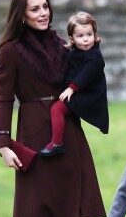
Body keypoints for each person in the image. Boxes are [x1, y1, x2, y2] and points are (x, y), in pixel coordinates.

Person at [0, 0, 106, 217]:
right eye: (35, 9)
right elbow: (4, 99)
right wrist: (3, 144)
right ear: (21, 15)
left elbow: (88, 71)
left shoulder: (62, 44)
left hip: (69, 133)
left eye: (45, 6)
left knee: (82, 213)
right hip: (35, 137)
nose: (43, 13)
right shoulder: (10, 51)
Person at [40, 11, 109, 157]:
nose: (86, 40)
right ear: (72, 38)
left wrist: (71, 89)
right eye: (80, 36)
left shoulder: (95, 56)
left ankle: (57, 143)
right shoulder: (74, 52)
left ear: (94, 34)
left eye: (89, 35)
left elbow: (86, 74)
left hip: (88, 96)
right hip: (79, 92)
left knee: (57, 109)